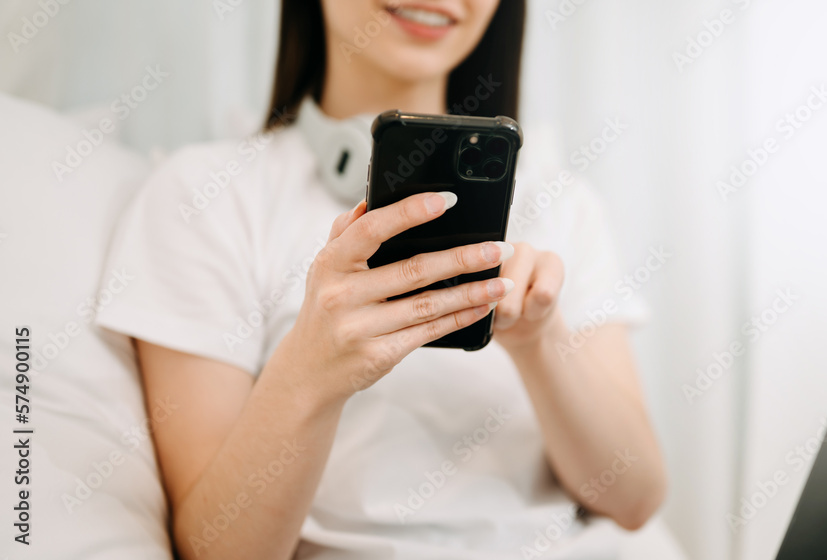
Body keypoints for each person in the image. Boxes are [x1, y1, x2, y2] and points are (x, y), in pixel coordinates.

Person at [95, 1, 668, 558]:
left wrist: (541, 342)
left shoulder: (564, 204)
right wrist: (310, 372)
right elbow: (219, 551)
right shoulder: (206, 196)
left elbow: (636, 500)